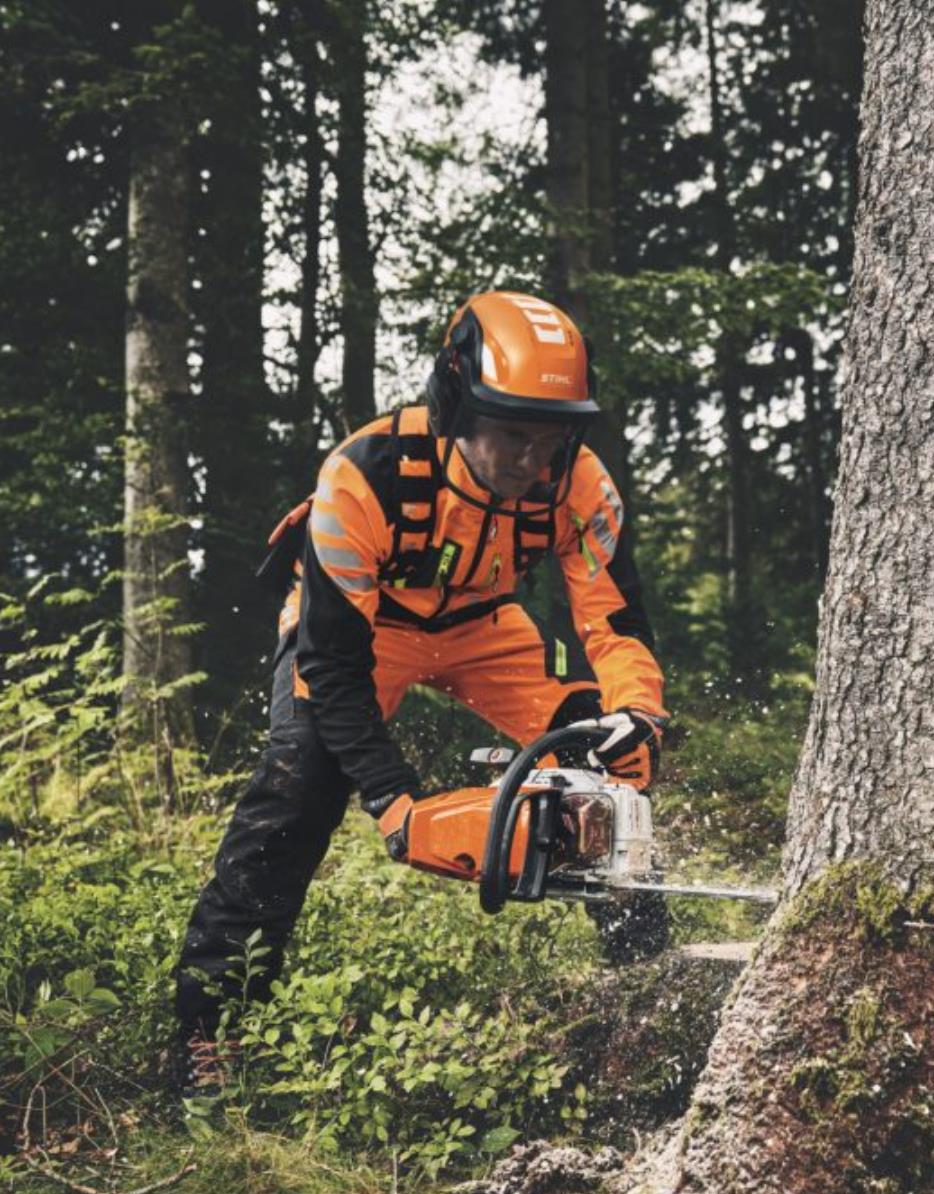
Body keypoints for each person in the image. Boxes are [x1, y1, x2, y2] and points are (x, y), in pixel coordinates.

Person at [170, 290, 669, 1097]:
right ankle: (209, 1024)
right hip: (363, 631)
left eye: (552, 437)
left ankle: (647, 991)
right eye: (514, 434)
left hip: (485, 624)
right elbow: (333, 671)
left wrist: (634, 711)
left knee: (611, 767)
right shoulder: (364, 476)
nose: (534, 459)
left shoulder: (579, 482)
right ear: (457, 405)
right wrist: (396, 802)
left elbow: (612, 619)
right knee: (299, 785)